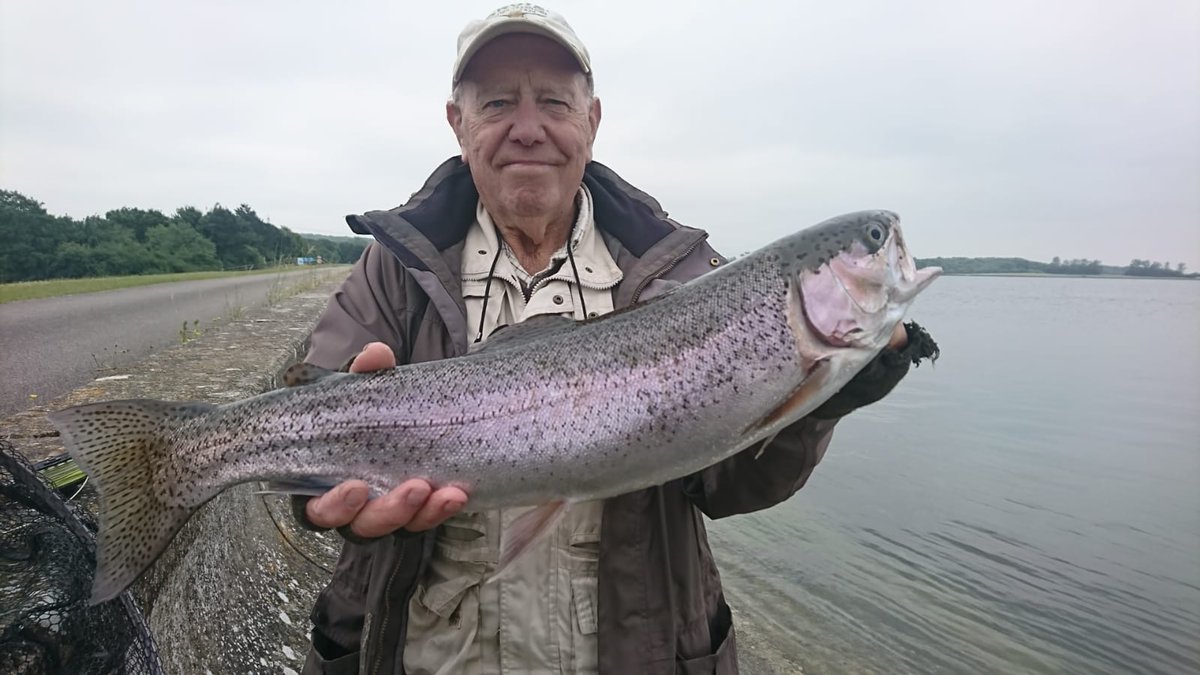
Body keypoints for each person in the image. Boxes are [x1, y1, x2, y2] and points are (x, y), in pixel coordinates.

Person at [295, 5, 922, 674]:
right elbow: (307, 423)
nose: (528, 128)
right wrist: (318, 493)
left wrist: (825, 394)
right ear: (458, 122)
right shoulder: (393, 266)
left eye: (554, 102)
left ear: (591, 121)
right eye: (498, 102)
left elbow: (731, 483)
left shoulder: (681, 275)